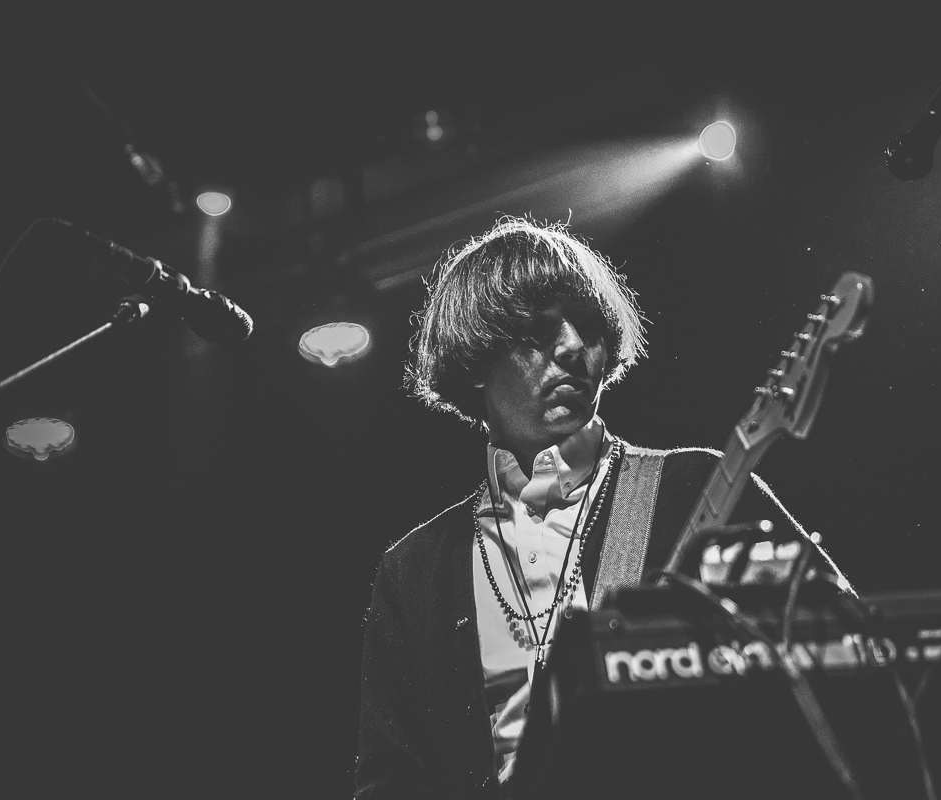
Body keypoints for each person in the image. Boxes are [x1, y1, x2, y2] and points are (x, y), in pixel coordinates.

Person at [353, 217, 846, 800]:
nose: (571, 347)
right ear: (475, 362)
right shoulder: (415, 572)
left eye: (587, 326)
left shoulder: (697, 486)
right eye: (535, 334)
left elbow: (847, 654)